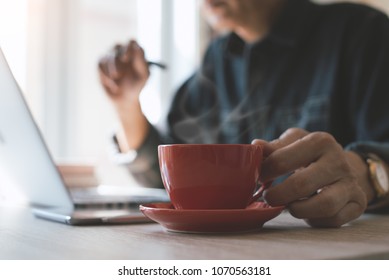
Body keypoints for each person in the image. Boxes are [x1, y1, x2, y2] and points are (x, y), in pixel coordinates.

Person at [98, 0, 389, 228]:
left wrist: (369, 174)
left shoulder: (363, 33)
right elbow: (173, 180)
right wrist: (127, 104)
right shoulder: (218, 59)